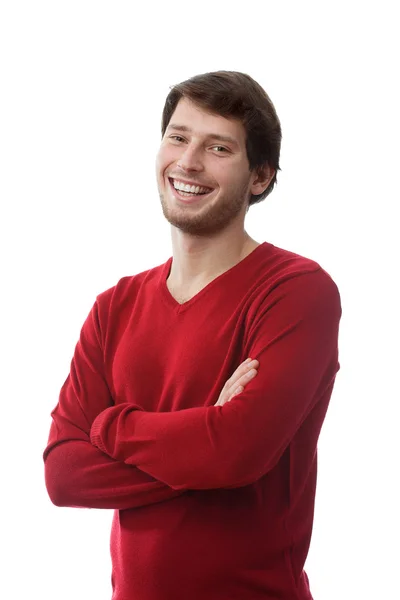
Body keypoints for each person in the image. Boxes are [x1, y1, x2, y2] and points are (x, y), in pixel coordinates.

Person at [43, 70, 342, 600]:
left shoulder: (296, 292)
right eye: (178, 137)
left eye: (218, 147)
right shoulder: (114, 307)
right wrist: (207, 434)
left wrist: (112, 427)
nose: (188, 162)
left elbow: (236, 453)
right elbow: (64, 475)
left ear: (260, 177)